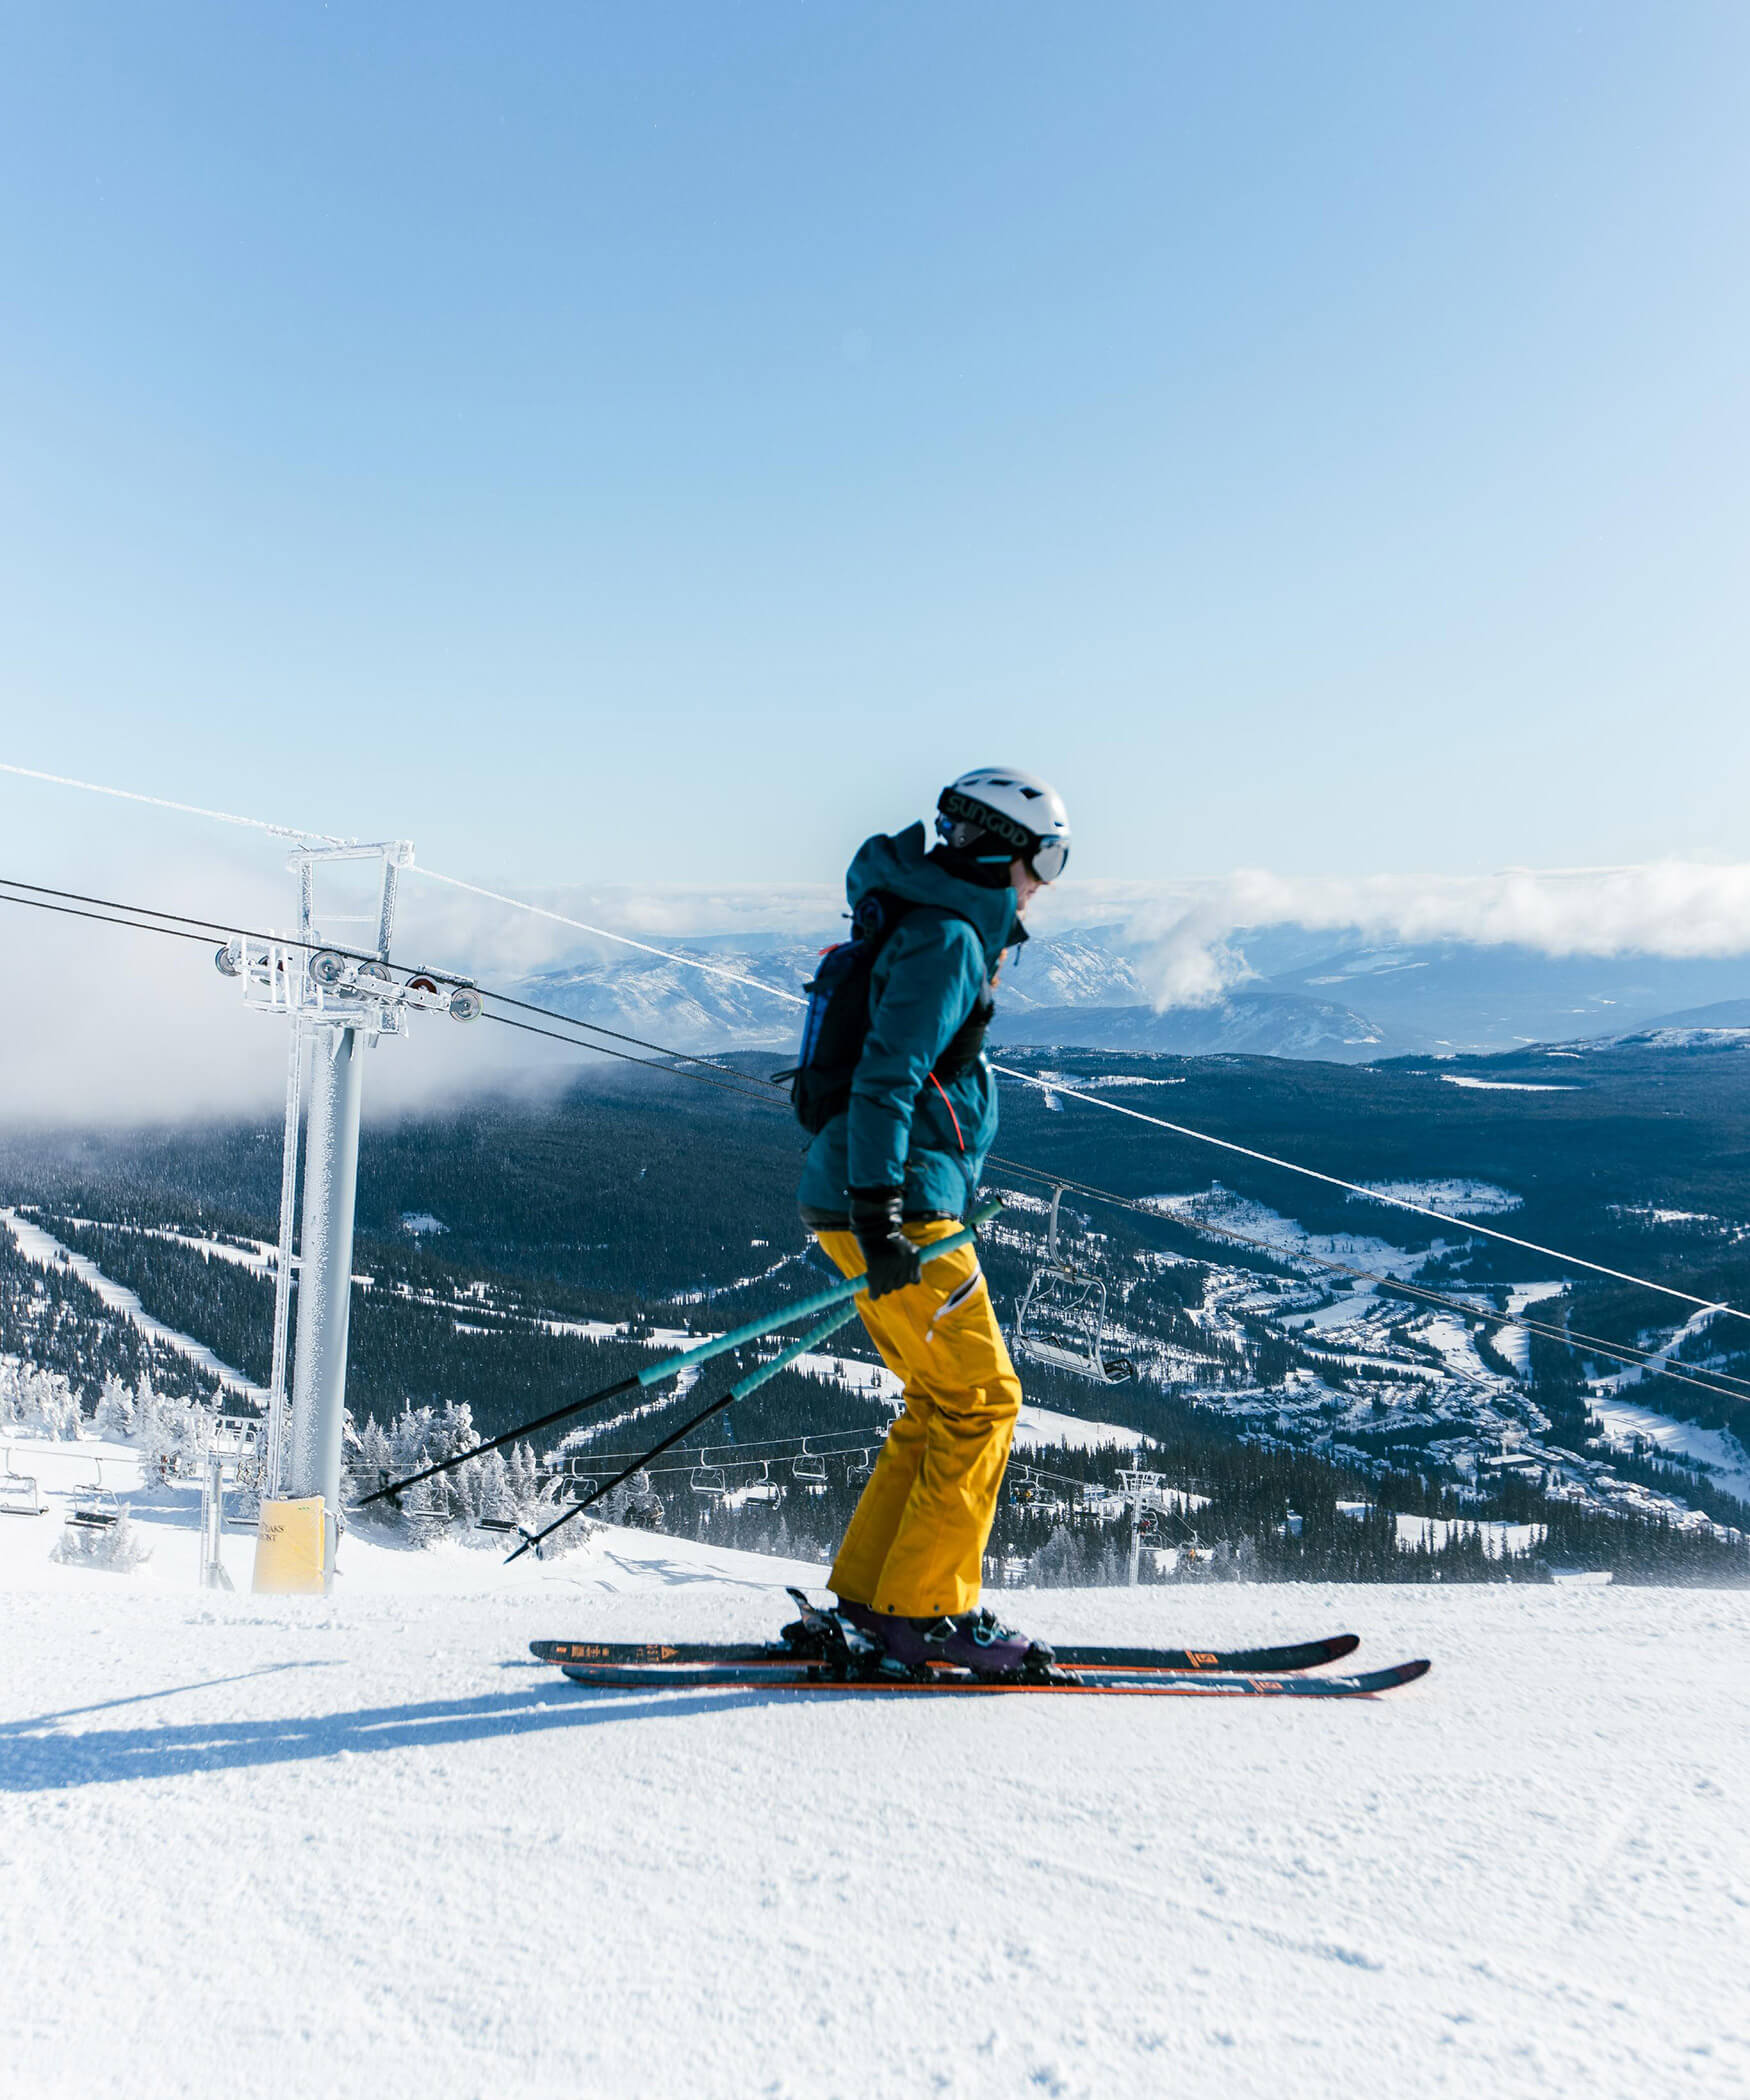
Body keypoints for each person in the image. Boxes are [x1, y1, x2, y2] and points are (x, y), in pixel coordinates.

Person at [796, 766, 1071, 1677]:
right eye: (1051, 858)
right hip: (900, 1207)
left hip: (869, 1198)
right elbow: (889, 1078)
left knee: (939, 1398)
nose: (1046, 881)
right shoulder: (951, 934)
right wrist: (885, 1221)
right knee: (985, 1398)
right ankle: (928, 1613)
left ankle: (879, 1600)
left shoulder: (921, 915)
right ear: (1005, 849)